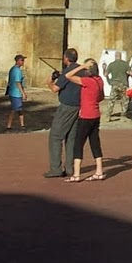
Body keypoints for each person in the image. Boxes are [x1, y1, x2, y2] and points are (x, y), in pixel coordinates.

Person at [62, 59, 106, 182]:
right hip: (96, 114)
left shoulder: (87, 81)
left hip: (86, 115)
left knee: (78, 144)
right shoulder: (99, 80)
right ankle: (99, 171)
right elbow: (101, 97)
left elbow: (68, 75)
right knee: (95, 142)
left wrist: (81, 66)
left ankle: (76, 174)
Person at [45, 48, 81, 178]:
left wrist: (49, 82)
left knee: (55, 136)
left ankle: (56, 168)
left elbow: (55, 88)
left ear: (66, 58)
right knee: (71, 138)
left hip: (66, 106)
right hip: (78, 107)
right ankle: (70, 168)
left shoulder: (68, 71)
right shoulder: (82, 71)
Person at [4, 53, 28, 130]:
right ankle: (9, 125)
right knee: (15, 109)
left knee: (20, 109)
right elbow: (18, 82)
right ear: (17, 61)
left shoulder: (12, 69)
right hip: (16, 93)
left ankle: (22, 125)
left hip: (12, 92)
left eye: (23, 60)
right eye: (22, 60)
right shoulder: (17, 71)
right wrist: (23, 93)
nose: (23, 62)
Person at [105, 52, 130, 121]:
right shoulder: (125, 64)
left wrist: (109, 81)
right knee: (124, 100)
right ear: (120, 56)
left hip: (114, 84)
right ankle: (123, 116)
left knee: (111, 100)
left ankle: (108, 116)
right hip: (123, 84)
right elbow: (130, 73)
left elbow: (106, 74)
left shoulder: (111, 64)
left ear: (115, 56)